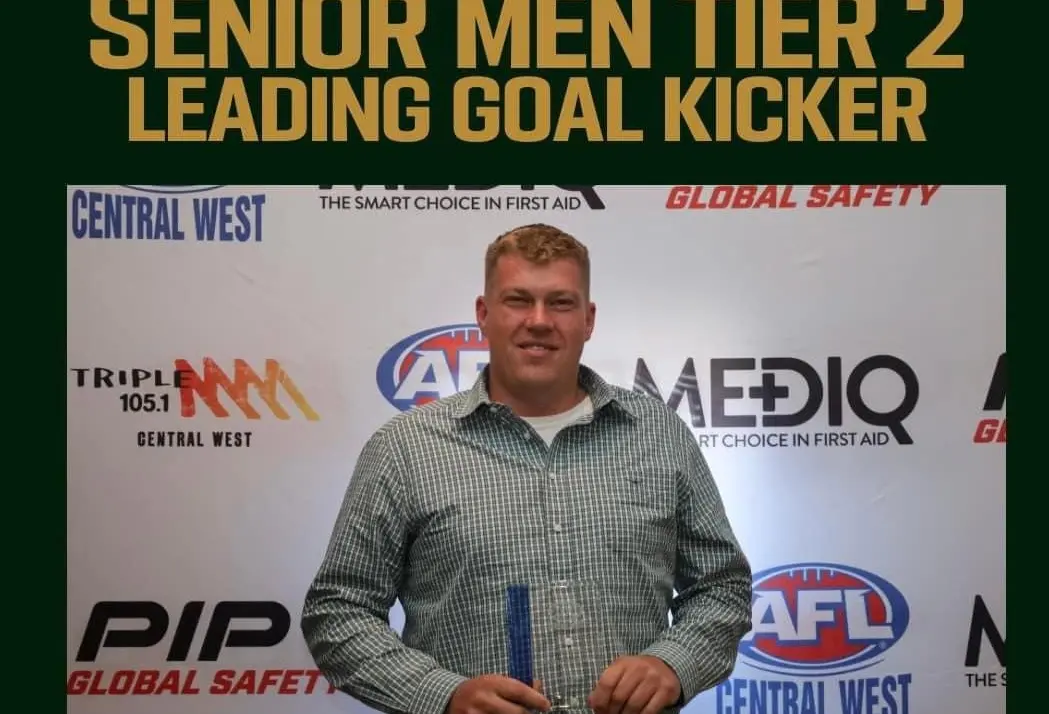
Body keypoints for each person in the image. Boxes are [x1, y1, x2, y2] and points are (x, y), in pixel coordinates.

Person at [301, 224, 753, 714]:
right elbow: (338, 612)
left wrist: (673, 663)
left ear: (588, 318)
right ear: (484, 314)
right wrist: (444, 696)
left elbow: (721, 587)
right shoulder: (406, 449)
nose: (539, 321)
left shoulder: (658, 434)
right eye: (518, 300)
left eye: (560, 303)